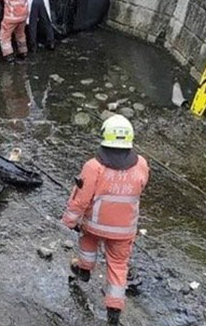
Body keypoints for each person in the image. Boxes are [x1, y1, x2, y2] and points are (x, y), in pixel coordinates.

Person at [62, 115, 150, 326]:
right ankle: (114, 308)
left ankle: (84, 270)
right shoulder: (142, 165)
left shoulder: (93, 167)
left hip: (94, 224)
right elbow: (142, 188)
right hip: (124, 229)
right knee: (119, 265)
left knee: (88, 244)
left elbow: (80, 198)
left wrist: (70, 220)